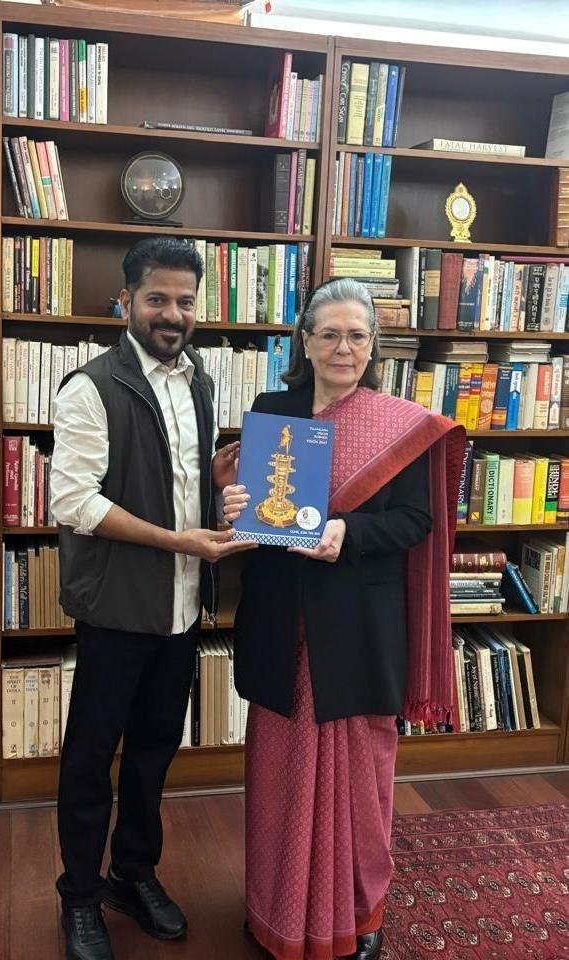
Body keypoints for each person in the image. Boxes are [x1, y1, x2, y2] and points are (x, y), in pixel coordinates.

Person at [222, 278, 465, 960]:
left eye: (357, 336)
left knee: (361, 779)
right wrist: (232, 500)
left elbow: (415, 521)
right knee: (278, 775)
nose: (342, 348)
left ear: (373, 345)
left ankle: (360, 915)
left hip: (357, 627)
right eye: (328, 334)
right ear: (305, 342)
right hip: (282, 622)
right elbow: (255, 510)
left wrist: (346, 532)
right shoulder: (272, 410)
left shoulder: (400, 426)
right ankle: (275, 911)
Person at [50, 236, 255, 960]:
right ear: (126, 301)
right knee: (90, 759)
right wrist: (178, 541)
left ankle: (132, 875)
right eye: (157, 298)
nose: (173, 313)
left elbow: (175, 482)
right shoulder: (89, 388)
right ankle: (79, 896)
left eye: (185, 301)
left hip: (181, 607)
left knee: (152, 754)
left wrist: (216, 481)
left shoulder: (198, 382)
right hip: (116, 609)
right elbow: (75, 503)